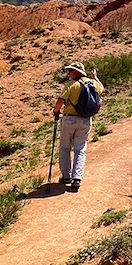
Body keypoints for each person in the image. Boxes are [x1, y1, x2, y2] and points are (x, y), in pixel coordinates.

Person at [53, 61, 104, 192]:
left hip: (69, 119)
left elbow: (60, 101)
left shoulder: (70, 85)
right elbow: (102, 89)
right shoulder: (93, 83)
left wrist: (56, 112)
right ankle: (77, 178)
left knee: (64, 147)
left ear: (76, 72)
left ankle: (66, 177)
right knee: (80, 149)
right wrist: (95, 77)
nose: (68, 73)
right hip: (86, 120)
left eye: (70, 71)